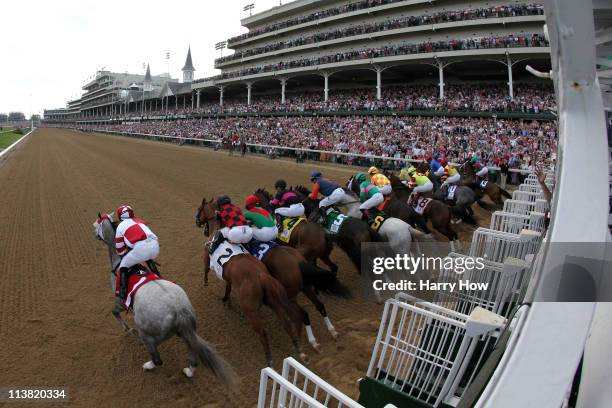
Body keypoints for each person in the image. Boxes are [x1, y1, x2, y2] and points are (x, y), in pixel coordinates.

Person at [114, 205, 159, 309]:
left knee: (124, 265)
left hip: (140, 249)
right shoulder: (140, 221)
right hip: (155, 245)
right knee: (147, 257)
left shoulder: (120, 226)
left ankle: (122, 294)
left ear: (120, 216)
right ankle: (158, 277)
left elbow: (119, 249)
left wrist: (126, 255)